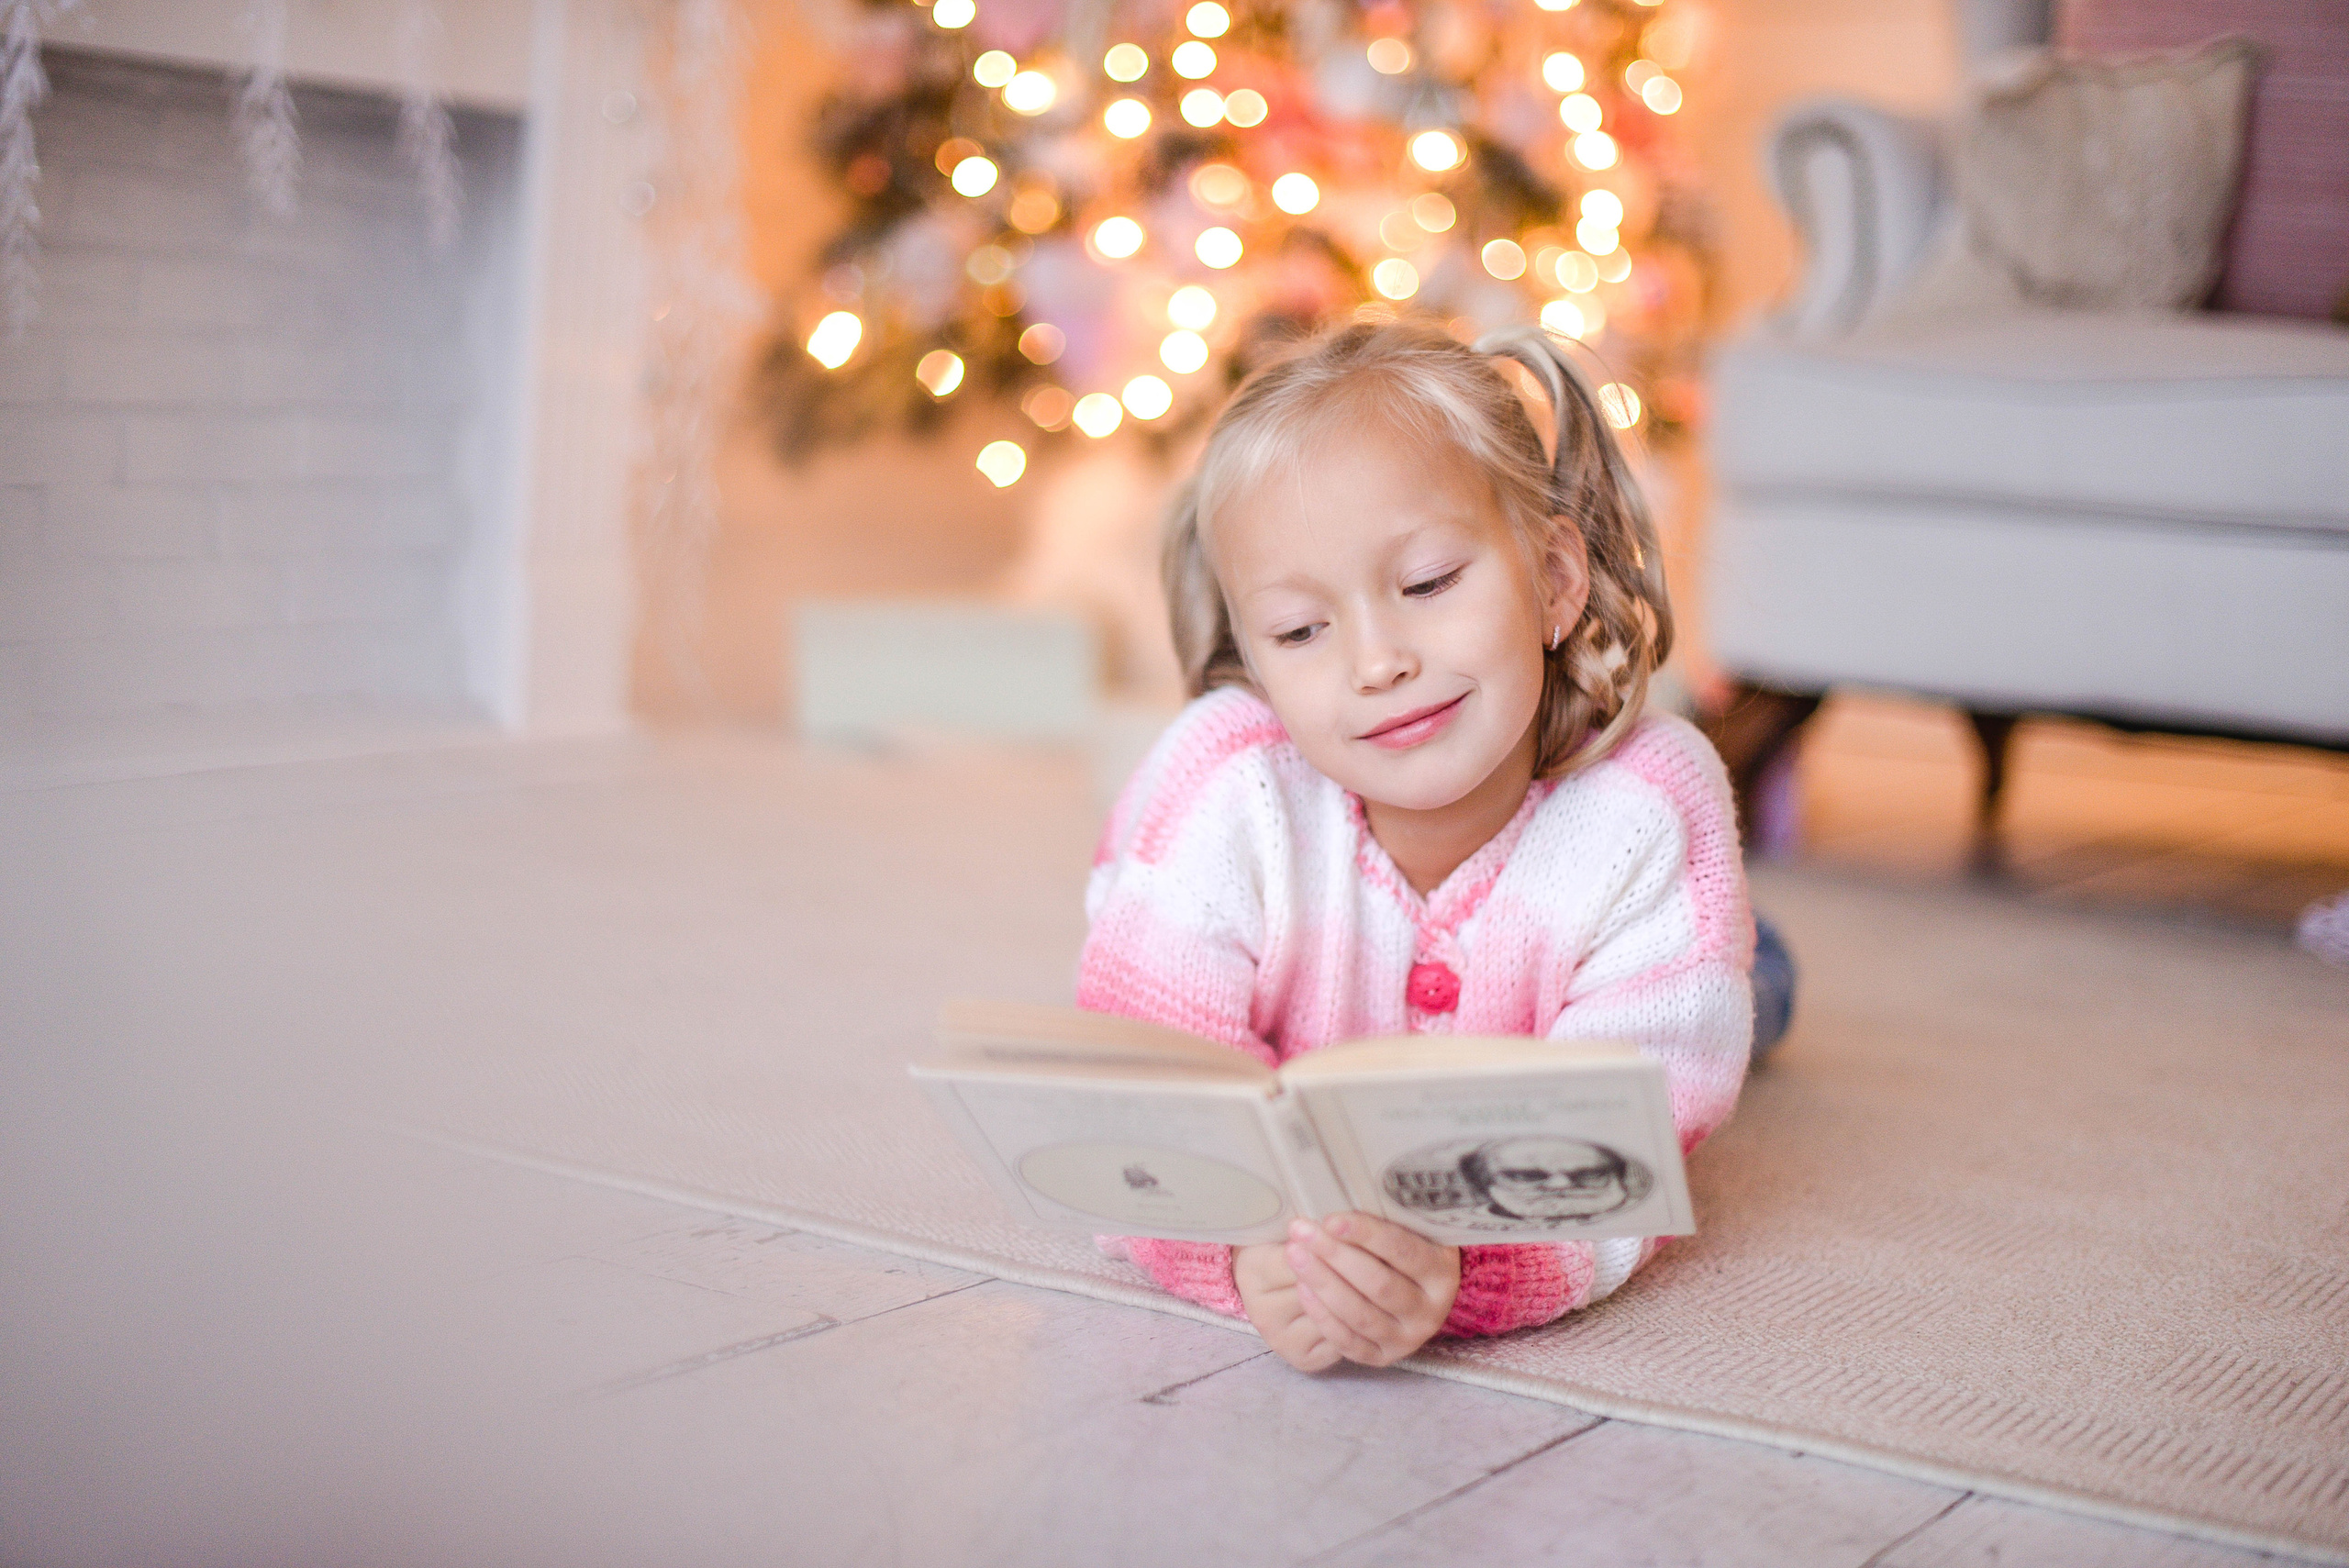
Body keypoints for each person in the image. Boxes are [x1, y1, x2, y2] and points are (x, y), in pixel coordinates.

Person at [1079, 321, 1785, 1373]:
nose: (1376, 663)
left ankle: (1758, 962)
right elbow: (1130, 1101)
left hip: (1649, 951)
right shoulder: (1223, 790)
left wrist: (1469, 1269)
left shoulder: (1645, 807)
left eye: (1426, 582)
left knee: (1752, 993)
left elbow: (1627, 1150)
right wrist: (1243, 1251)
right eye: (1300, 630)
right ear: (1257, 663)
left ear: (1554, 578)